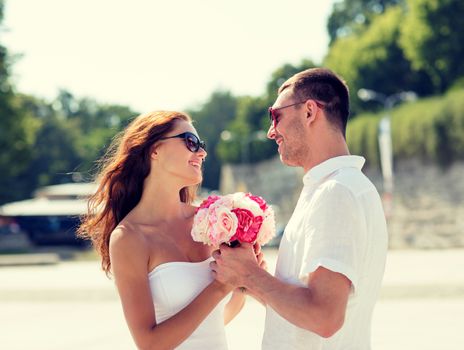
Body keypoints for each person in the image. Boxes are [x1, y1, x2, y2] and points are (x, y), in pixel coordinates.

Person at [211, 68, 388, 349]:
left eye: (275, 115)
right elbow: (304, 314)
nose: (271, 131)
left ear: (309, 112)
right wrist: (252, 277)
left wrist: (251, 274)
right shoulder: (340, 187)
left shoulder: (336, 192)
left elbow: (324, 317)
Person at [78, 110, 248, 349]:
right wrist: (221, 287)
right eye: (191, 142)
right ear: (154, 150)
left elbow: (213, 321)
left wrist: (243, 282)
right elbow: (149, 344)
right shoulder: (129, 237)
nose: (202, 152)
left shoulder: (211, 219)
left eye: (201, 145)